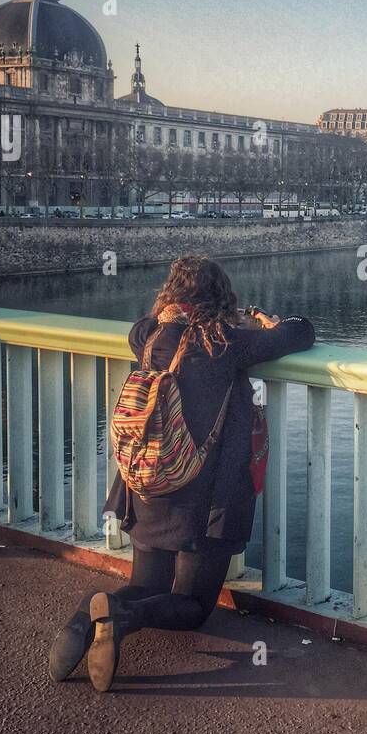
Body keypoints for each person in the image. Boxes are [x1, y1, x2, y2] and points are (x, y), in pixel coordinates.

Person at [49, 254, 315, 692]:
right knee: (191, 606)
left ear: (172, 296)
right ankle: (120, 618)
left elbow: (146, 322)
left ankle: (86, 619)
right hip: (204, 498)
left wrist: (168, 311)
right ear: (221, 297)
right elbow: (300, 331)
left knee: (143, 584)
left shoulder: (149, 336)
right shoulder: (227, 343)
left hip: (148, 485)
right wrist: (262, 320)